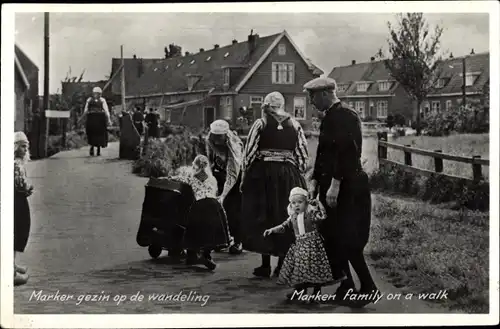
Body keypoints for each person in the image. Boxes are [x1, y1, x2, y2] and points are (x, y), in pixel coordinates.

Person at [304, 77, 377, 308]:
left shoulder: (345, 115)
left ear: (325, 93)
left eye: (312, 96)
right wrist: (315, 179)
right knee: (333, 237)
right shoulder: (330, 117)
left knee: (348, 238)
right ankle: (345, 286)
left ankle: (368, 288)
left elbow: (348, 153)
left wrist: (335, 184)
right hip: (332, 186)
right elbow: (324, 153)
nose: (311, 102)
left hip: (348, 187)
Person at [240, 91, 309, 278]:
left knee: (264, 214)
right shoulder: (295, 124)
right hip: (288, 175)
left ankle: (265, 265)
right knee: (284, 215)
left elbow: (249, 153)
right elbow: (302, 154)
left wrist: (246, 175)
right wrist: (298, 172)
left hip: (264, 175)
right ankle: (281, 265)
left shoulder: (260, 123)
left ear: (266, 106)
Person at [264, 187, 345, 301]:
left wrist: (318, 204)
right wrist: (272, 230)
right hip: (300, 247)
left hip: (313, 246)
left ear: (306, 203)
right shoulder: (292, 217)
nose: (297, 205)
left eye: (300, 202)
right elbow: (284, 227)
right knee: (299, 270)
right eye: (293, 203)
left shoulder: (310, 213)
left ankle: (316, 293)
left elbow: (323, 216)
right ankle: (300, 291)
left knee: (315, 269)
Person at [166, 155, 229, 270]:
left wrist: (169, 177)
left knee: (194, 229)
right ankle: (207, 254)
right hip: (214, 205)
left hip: (200, 204)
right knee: (211, 231)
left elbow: (179, 179)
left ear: (196, 166)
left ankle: (192, 254)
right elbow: (215, 192)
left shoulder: (192, 178)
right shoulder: (212, 179)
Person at [205, 119, 244, 254]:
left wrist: (223, 194)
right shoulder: (209, 140)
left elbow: (233, 174)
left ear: (225, 135)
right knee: (215, 207)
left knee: (232, 208)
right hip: (219, 174)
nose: (216, 140)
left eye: (219, 137)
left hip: (235, 178)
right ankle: (222, 239)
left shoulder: (235, 146)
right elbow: (209, 161)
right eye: (214, 136)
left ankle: (238, 240)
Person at [14, 132, 33, 286]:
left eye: (26, 146)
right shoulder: (14, 163)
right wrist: (24, 190)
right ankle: (10, 273)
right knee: (15, 231)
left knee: (19, 230)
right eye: (21, 146)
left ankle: (12, 265)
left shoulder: (19, 162)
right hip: (16, 200)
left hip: (19, 198)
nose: (25, 149)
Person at [80, 87, 112, 156]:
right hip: (100, 119)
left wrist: (82, 118)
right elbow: (106, 110)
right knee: (99, 134)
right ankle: (97, 149)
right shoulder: (102, 100)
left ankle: (93, 148)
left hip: (92, 119)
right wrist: (109, 119)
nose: (96, 95)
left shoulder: (89, 100)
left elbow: (85, 111)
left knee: (92, 133)